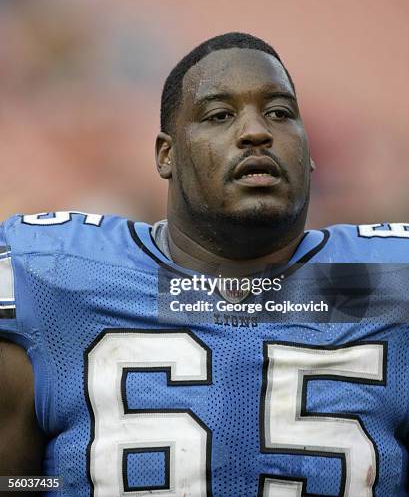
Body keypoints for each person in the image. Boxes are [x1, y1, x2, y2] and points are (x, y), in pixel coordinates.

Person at [0, 32, 408, 496]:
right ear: (165, 154)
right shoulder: (57, 275)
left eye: (280, 112)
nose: (257, 132)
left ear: (311, 154)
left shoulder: (386, 283)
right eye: (219, 115)